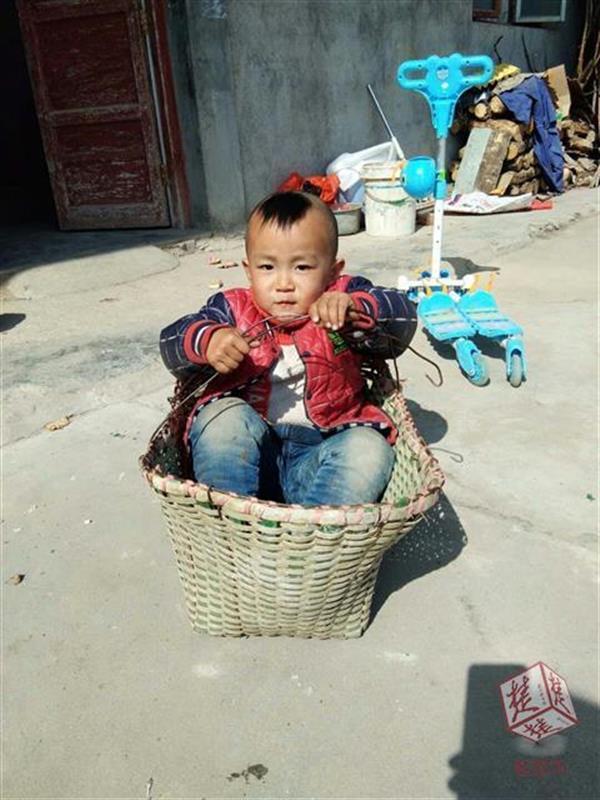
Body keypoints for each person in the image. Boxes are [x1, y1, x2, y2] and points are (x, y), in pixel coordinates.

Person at [159, 191, 417, 506]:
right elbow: (171, 343)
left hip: (323, 455)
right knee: (220, 417)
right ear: (248, 270)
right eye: (267, 267)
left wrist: (358, 310)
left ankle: (316, 529)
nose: (283, 284)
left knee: (370, 448)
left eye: (302, 267)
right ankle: (232, 519)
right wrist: (208, 340)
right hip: (250, 457)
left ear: (332, 272)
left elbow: (402, 318)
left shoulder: (344, 298)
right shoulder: (232, 309)